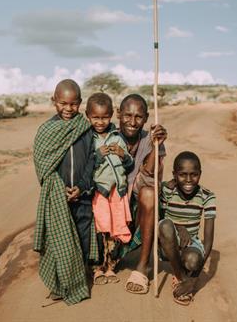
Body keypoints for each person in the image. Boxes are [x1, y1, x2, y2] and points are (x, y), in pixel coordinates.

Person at [32, 79, 98, 305]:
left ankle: (79, 279)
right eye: (63, 103)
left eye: (73, 104)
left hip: (83, 197)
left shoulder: (85, 128)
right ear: (54, 102)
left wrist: (81, 186)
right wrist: (60, 189)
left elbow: (92, 160)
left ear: (80, 102)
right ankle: (61, 284)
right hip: (57, 197)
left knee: (81, 237)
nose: (68, 109)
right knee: (58, 242)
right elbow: (42, 164)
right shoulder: (47, 130)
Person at [116, 94, 168, 294]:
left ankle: (143, 266)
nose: (132, 122)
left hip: (137, 208)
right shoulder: (108, 136)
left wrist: (156, 146)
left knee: (149, 194)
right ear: (118, 114)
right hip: (112, 209)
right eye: (127, 115)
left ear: (146, 118)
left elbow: (149, 179)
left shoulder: (151, 140)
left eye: (138, 117)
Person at [86, 92, 134, 285]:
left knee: (116, 228)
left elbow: (129, 164)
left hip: (117, 192)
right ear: (87, 115)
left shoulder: (117, 137)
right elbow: (86, 165)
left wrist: (123, 155)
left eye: (104, 117)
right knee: (100, 228)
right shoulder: (88, 139)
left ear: (111, 115)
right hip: (99, 192)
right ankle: (97, 268)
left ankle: (111, 267)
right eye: (95, 118)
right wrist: (97, 155)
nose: (100, 122)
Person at [158, 151, 216, 306]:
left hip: (190, 245)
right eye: (182, 174)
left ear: (200, 174)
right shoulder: (167, 190)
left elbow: (208, 242)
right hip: (166, 243)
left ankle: (187, 279)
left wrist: (194, 279)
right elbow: (159, 221)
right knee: (166, 225)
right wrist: (179, 227)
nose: (189, 180)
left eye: (194, 174)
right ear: (175, 174)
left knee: (193, 260)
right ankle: (181, 276)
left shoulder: (207, 196)